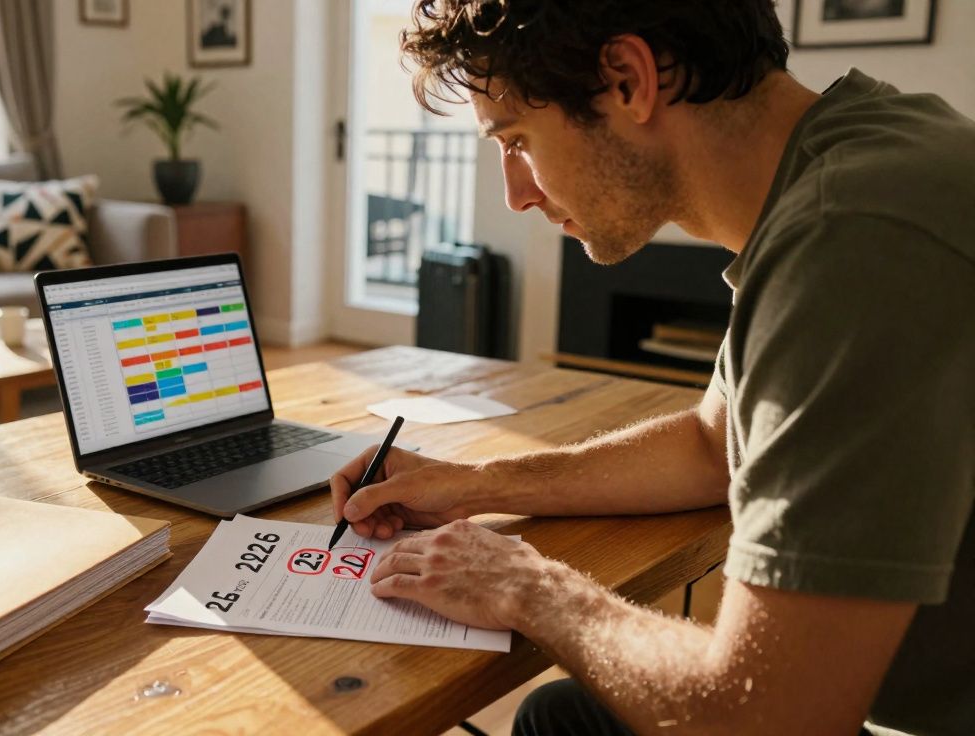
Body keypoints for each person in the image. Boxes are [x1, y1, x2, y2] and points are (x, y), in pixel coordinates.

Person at [329, 1, 974, 734]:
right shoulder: (857, 163)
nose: (517, 193)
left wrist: (533, 588)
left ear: (629, 80)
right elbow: (711, 446)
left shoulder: (853, 244)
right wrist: (473, 486)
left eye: (516, 140)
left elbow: (771, 717)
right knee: (560, 716)